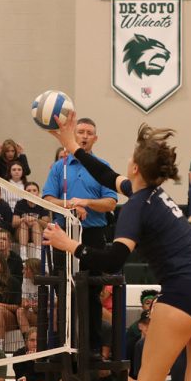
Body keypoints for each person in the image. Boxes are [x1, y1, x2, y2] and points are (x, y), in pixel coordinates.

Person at [42, 113, 191, 381]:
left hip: (183, 294)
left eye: (130, 158)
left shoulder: (136, 206)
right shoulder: (157, 195)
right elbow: (105, 174)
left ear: (136, 168)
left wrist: (69, 245)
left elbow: (113, 259)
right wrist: (72, 144)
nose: (126, 162)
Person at [42, 117, 117, 354]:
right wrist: (70, 207)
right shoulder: (60, 166)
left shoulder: (102, 167)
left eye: (89, 133)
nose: (84, 136)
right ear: (73, 136)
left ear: (95, 138)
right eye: (80, 132)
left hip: (93, 234)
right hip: (62, 234)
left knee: (92, 291)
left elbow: (110, 203)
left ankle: (92, 348)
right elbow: (47, 200)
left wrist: (86, 202)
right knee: (64, 292)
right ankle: (65, 346)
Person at [13, 182, 50, 260]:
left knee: (36, 224)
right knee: (23, 224)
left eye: (34, 190)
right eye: (29, 190)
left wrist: (35, 219)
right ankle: (23, 256)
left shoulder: (42, 204)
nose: (31, 193)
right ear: (24, 192)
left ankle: (38, 256)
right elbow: (14, 223)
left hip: (38, 233)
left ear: (38, 193)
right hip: (21, 233)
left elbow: (46, 224)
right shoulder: (20, 203)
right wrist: (23, 219)